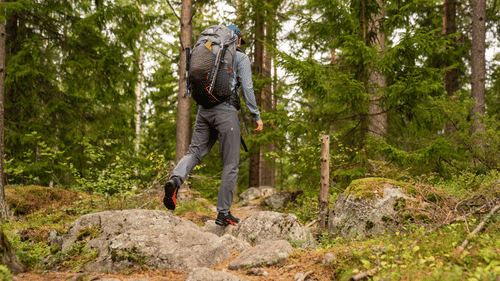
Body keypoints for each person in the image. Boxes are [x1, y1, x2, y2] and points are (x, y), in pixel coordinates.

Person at [164, 24, 263, 226]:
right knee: (230, 163)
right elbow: (248, 88)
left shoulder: (208, 49)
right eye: (240, 41)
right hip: (226, 112)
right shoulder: (240, 57)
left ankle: (175, 180)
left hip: (204, 109)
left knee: (194, 152)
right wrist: (256, 116)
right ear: (237, 39)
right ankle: (223, 213)